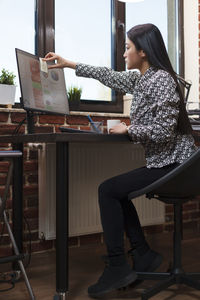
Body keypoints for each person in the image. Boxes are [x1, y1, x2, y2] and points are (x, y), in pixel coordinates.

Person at [43, 23, 197, 298]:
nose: (124, 54)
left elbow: (163, 131)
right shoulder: (143, 79)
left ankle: (118, 265)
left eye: (127, 48)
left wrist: (129, 129)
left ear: (143, 52)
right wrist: (68, 64)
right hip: (166, 164)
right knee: (116, 191)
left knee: (108, 190)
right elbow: (108, 76)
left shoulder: (161, 79)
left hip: (176, 168)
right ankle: (142, 254)